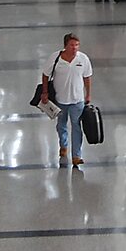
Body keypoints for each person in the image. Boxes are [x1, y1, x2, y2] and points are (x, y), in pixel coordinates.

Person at [39, 34, 94, 167]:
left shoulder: (83, 58)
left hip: (77, 100)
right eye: (71, 45)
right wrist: (45, 92)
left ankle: (76, 155)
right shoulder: (56, 58)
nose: (74, 48)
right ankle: (63, 145)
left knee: (76, 126)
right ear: (65, 46)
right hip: (61, 99)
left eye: (76, 45)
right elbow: (46, 75)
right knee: (61, 124)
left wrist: (88, 95)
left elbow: (87, 77)